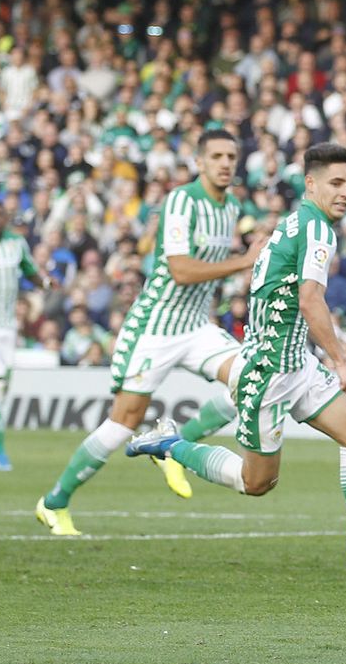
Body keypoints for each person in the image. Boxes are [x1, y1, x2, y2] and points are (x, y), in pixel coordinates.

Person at [124, 143, 346, 577]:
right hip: (268, 372)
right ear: (311, 183)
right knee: (257, 483)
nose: (345, 192)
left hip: (293, 363)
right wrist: (342, 361)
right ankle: (171, 444)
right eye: (336, 183)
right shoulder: (317, 229)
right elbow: (310, 298)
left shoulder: (298, 223)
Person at [36, 130, 262, 535]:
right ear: (199, 161)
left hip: (195, 324)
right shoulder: (181, 200)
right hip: (155, 326)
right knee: (123, 422)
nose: (226, 163)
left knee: (253, 383)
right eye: (217, 156)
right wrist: (244, 261)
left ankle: (172, 447)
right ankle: (54, 502)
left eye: (232, 155)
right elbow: (180, 268)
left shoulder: (230, 207)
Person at [0, 199, 55, 471]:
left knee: (0, 392)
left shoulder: (16, 244)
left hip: (8, 328)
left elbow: (29, 271)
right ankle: (0, 454)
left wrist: (46, 282)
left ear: (6, 218)